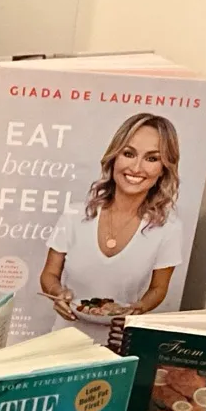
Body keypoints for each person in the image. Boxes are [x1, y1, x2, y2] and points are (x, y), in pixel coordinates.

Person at [40, 113, 184, 343]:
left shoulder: (168, 228)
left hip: (119, 343)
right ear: (114, 157)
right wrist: (58, 294)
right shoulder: (75, 215)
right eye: (129, 154)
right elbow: (49, 275)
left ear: (164, 169)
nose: (136, 167)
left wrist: (140, 307)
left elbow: (158, 288)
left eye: (152, 158)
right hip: (63, 341)